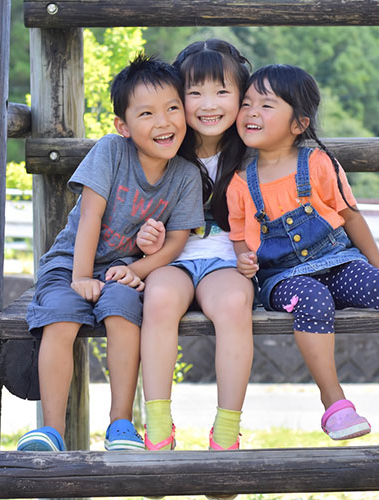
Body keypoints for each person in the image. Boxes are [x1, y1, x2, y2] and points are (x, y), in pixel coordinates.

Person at [227, 63, 379, 441]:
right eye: (248, 103)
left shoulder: (317, 163)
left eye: (266, 106)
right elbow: (240, 235)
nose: (251, 112)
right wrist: (243, 258)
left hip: (338, 261)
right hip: (283, 278)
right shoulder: (240, 182)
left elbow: (351, 217)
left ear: (298, 124)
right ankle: (334, 403)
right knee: (313, 299)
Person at [16, 54, 205, 452]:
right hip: (72, 261)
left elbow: (177, 241)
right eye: (147, 113)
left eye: (173, 108)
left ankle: (120, 423)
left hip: (122, 269)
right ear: (124, 125)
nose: (164, 121)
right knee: (62, 318)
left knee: (123, 312)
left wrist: (136, 268)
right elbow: (90, 217)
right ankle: (52, 430)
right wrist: (81, 276)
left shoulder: (186, 174)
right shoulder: (111, 151)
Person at [137, 39, 254, 458]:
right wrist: (144, 239)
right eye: (195, 92)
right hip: (172, 256)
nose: (209, 104)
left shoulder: (251, 149)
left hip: (226, 258)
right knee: (160, 296)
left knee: (236, 302)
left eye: (222, 91)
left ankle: (226, 430)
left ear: (242, 95)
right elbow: (135, 206)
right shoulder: (164, 146)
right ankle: (157, 425)